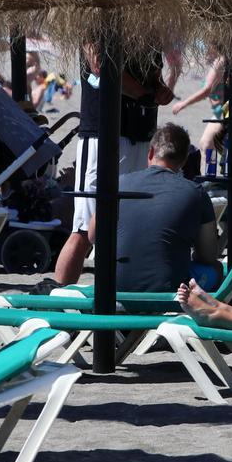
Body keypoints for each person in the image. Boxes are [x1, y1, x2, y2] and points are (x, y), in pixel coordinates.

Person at [53, 45, 170, 285]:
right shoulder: (96, 22)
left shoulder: (146, 32)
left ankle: (119, 290)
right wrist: (143, 93)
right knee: (85, 228)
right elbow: (101, 67)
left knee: (130, 222)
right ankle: (60, 294)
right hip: (102, 134)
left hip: (140, 132)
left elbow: (152, 76)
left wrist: (158, 89)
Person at [89, 124, 218, 292]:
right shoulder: (195, 192)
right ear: (184, 160)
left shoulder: (119, 183)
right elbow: (208, 256)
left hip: (113, 288)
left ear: (150, 153)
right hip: (170, 291)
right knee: (215, 269)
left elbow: (92, 236)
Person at [170, 44, 226, 153]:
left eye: (207, 45)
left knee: (206, 144)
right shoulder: (219, 60)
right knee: (210, 145)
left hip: (223, 112)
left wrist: (183, 104)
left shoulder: (220, 61)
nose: (205, 49)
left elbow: (206, 90)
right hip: (219, 112)